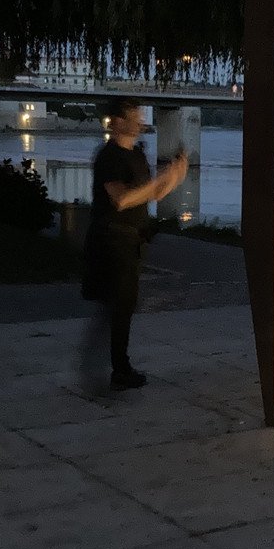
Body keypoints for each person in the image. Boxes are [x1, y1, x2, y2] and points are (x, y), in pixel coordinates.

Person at [80, 99, 188, 391]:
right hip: (112, 241)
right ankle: (119, 370)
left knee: (121, 306)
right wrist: (159, 181)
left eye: (140, 115)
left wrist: (174, 177)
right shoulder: (109, 157)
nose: (140, 121)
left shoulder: (137, 155)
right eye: (134, 116)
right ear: (117, 121)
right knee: (119, 305)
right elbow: (122, 199)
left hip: (132, 242)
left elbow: (152, 195)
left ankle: (108, 365)